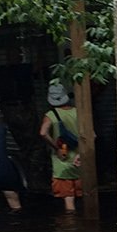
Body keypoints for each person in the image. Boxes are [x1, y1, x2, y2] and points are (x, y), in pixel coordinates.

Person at [39, 82, 82, 213]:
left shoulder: (51, 115)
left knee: (68, 199)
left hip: (62, 160)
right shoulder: (79, 112)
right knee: (83, 195)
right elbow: (92, 134)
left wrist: (56, 147)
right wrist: (81, 153)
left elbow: (42, 133)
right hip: (80, 159)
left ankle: (71, 227)